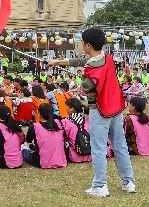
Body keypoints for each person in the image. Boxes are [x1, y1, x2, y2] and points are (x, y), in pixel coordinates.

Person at [51, 27, 136, 197]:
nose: (81, 45)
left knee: (98, 148)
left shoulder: (90, 67)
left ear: (88, 45)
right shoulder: (108, 58)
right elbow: (85, 62)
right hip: (116, 108)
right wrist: (59, 62)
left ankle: (100, 186)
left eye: (82, 43)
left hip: (99, 110)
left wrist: (81, 83)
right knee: (120, 146)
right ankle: (129, 182)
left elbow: (88, 89)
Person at [24, 103, 67, 169]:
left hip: (42, 161)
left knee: (24, 151)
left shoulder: (35, 126)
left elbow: (28, 140)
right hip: (61, 161)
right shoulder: (58, 123)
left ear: (39, 113)